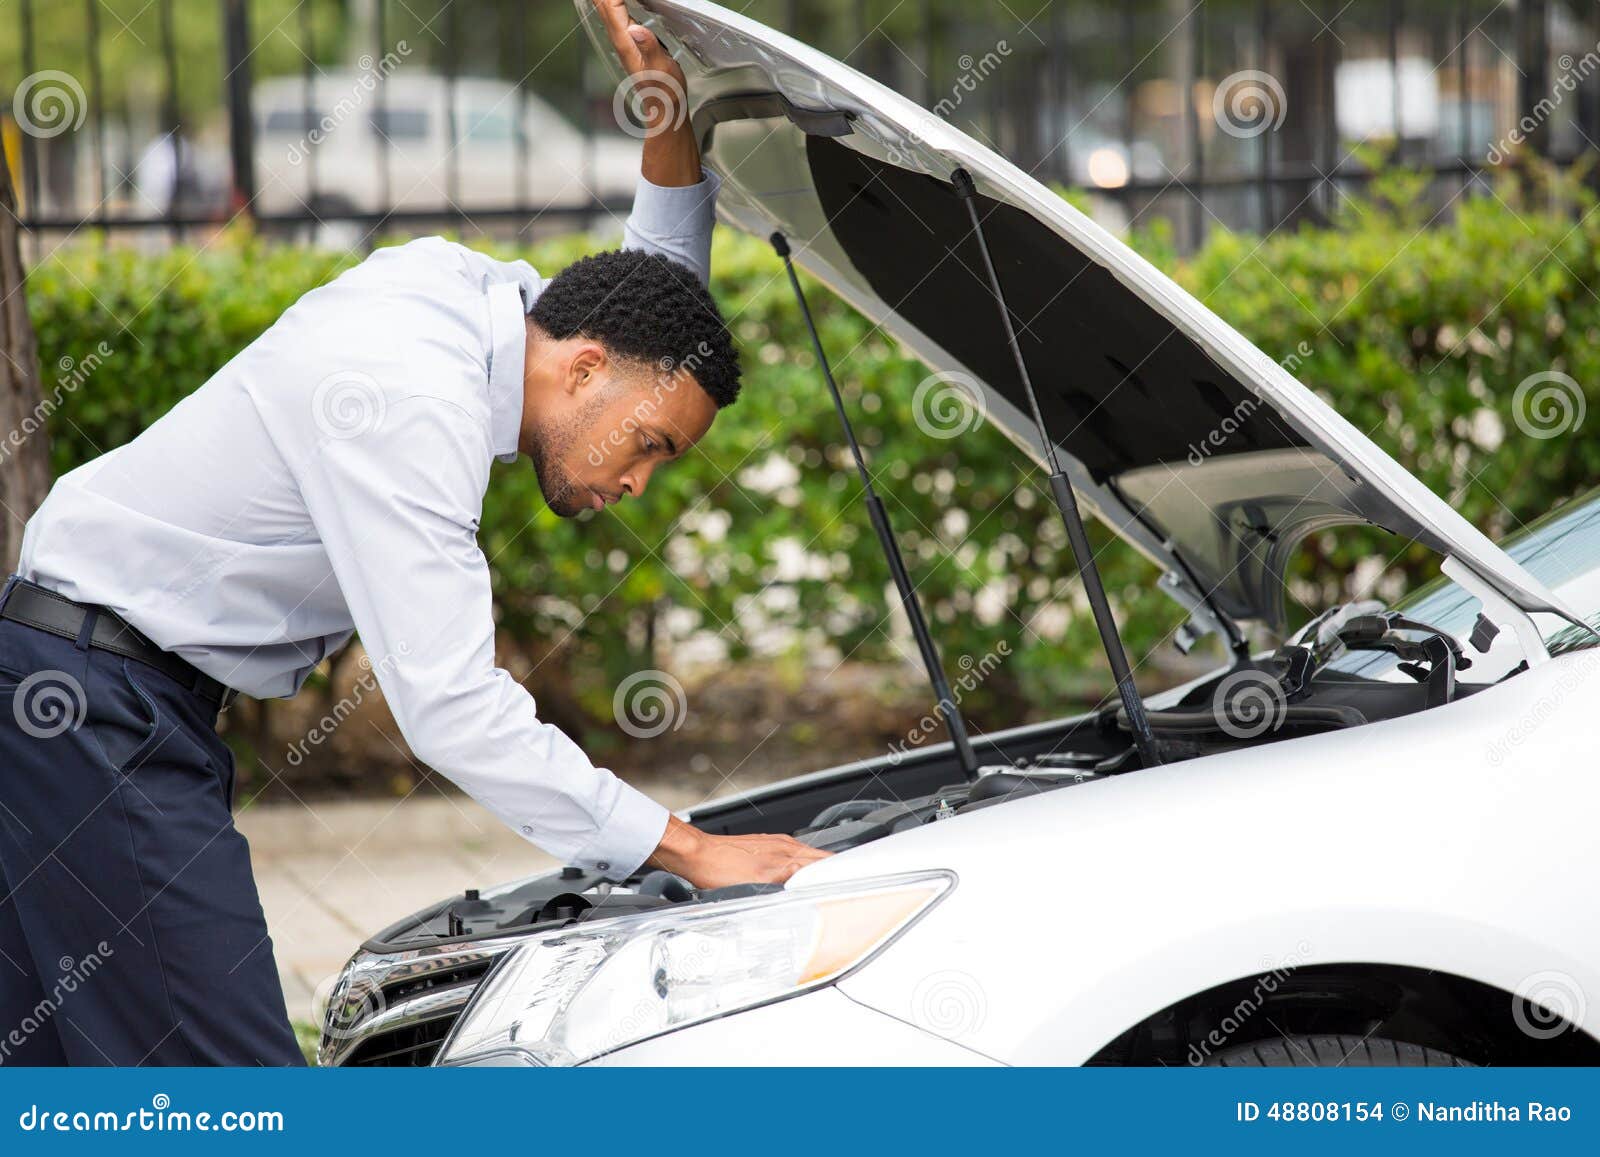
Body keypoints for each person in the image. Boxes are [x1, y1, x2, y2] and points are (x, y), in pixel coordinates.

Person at [0, 0, 827, 1067]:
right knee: (242, 1100)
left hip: (72, 694)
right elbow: (451, 706)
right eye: (653, 444)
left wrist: (668, 126)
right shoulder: (405, 400)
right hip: (94, 721)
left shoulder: (478, 305)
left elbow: (646, 316)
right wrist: (688, 848)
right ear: (581, 373)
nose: (637, 479)